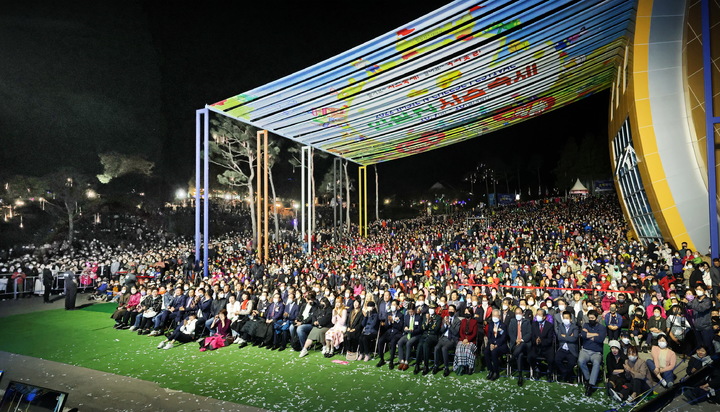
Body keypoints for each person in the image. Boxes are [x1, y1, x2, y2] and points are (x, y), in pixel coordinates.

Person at [579, 310, 606, 397]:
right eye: (589, 318)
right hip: (585, 350)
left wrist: (589, 334)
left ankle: (591, 385)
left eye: (592, 318)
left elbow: (600, 339)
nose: (591, 320)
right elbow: (583, 335)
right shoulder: (586, 325)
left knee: (596, 363)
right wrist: (595, 334)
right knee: (580, 361)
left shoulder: (602, 327)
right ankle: (587, 379)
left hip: (596, 352)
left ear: (596, 318)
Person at [433, 303, 460, 376]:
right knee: (436, 348)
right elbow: (441, 331)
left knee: (444, 348)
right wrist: (445, 324)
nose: (450, 311)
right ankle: (436, 365)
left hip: (451, 339)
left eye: (452, 310)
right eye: (449, 309)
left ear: (455, 311)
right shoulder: (445, 318)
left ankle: (446, 367)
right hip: (443, 338)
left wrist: (449, 325)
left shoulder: (457, 320)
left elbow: (455, 332)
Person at [528, 308, 555, 382]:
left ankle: (549, 372)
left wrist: (541, 341)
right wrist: (535, 341)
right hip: (536, 346)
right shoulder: (534, 324)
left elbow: (550, 339)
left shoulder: (549, 326)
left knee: (551, 358)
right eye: (537, 314)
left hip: (546, 347)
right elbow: (532, 336)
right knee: (530, 357)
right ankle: (536, 370)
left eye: (539, 315)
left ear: (544, 317)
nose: (537, 316)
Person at [414, 302, 441, 375]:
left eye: (432, 308)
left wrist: (430, 322)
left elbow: (435, 329)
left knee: (425, 345)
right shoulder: (424, 316)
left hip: (433, 336)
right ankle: (417, 364)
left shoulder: (438, 318)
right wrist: (427, 321)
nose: (431, 310)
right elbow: (422, 328)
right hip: (425, 335)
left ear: (435, 309)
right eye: (430, 308)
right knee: (419, 345)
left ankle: (426, 366)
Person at [507, 306, 532, 386]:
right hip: (515, 345)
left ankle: (512, 359)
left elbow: (529, 334)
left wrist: (521, 340)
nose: (518, 314)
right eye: (516, 313)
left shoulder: (527, 321)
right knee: (520, 355)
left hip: (525, 344)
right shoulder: (512, 321)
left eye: (519, 313)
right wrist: (515, 340)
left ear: (522, 314)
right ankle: (520, 376)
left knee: (522, 346)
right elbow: (510, 333)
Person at [687, 285, 714, 354]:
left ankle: (711, 360)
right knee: (699, 346)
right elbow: (689, 306)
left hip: (706, 327)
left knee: (707, 346)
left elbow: (701, 309)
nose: (698, 291)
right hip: (697, 327)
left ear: (704, 291)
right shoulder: (695, 300)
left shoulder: (708, 301)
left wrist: (690, 304)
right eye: (697, 289)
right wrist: (686, 302)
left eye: (700, 289)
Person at [376, 300, 403, 368]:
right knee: (380, 341)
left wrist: (393, 322)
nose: (392, 306)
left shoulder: (400, 315)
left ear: (397, 306)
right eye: (392, 304)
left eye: (394, 305)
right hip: (389, 331)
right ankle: (381, 359)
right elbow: (386, 326)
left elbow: (400, 327)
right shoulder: (388, 314)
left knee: (393, 342)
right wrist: (389, 322)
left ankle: (391, 361)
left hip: (397, 333)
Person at [484, 308, 509, 381]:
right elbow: (489, 335)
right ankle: (490, 370)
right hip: (492, 343)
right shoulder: (491, 324)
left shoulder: (503, 325)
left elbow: (504, 337)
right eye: (493, 315)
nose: (494, 317)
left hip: (501, 345)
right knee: (486, 352)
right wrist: (491, 343)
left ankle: (496, 372)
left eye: (496, 316)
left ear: (499, 317)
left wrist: (496, 344)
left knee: (494, 352)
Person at [453, 306, 478, 376]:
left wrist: (468, 340)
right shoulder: (463, 321)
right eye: (465, 312)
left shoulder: (474, 322)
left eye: (468, 312)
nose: (466, 313)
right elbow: (461, 332)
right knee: (459, 348)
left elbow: (474, 333)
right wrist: (464, 339)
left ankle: (469, 367)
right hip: (462, 339)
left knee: (468, 349)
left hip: (471, 341)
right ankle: (461, 366)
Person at [397, 303, 422, 371]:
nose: (410, 313)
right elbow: (404, 325)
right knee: (400, 342)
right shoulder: (406, 316)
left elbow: (420, 329)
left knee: (408, 343)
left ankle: (407, 361)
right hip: (408, 334)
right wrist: (405, 327)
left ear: (414, 310)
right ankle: (401, 360)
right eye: (409, 311)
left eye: (412, 311)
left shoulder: (418, 317)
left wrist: (413, 330)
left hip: (415, 335)